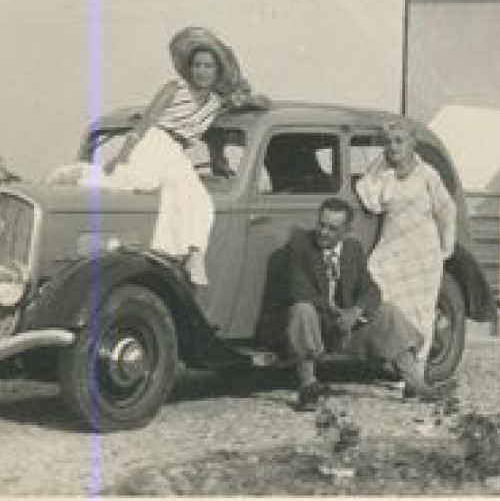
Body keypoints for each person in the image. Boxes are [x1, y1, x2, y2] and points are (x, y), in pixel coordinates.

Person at [102, 26, 266, 285]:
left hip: (176, 152)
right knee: (138, 184)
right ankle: (175, 252)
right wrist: (123, 155)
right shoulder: (174, 87)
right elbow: (146, 121)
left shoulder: (216, 103)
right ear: (189, 68)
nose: (202, 71)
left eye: (209, 66)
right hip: (154, 142)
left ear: (216, 72)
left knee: (199, 199)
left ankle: (192, 254)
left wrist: (236, 88)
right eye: (198, 65)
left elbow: (261, 102)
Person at [257, 197, 436, 410]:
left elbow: (371, 289)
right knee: (302, 310)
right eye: (321, 225)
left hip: (344, 328)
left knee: (388, 312)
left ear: (346, 231)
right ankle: (308, 386)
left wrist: (356, 311)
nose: (323, 232)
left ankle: (414, 381)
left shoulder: (352, 249)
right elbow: (300, 291)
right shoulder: (300, 246)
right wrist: (338, 314)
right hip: (313, 327)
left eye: (332, 229)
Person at [356, 120, 457, 369]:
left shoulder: (428, 174)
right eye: (388, 142)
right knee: (380, 292)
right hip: (391, 248)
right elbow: (371, 200)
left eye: (399, 141)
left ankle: (416, 372)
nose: (393, 147)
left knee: (420, 310)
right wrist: (382, 170)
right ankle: (392, 358)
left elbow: (447, 210)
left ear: (413, 143)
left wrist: (446, 248)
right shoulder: (384, 174)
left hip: (423, 252)